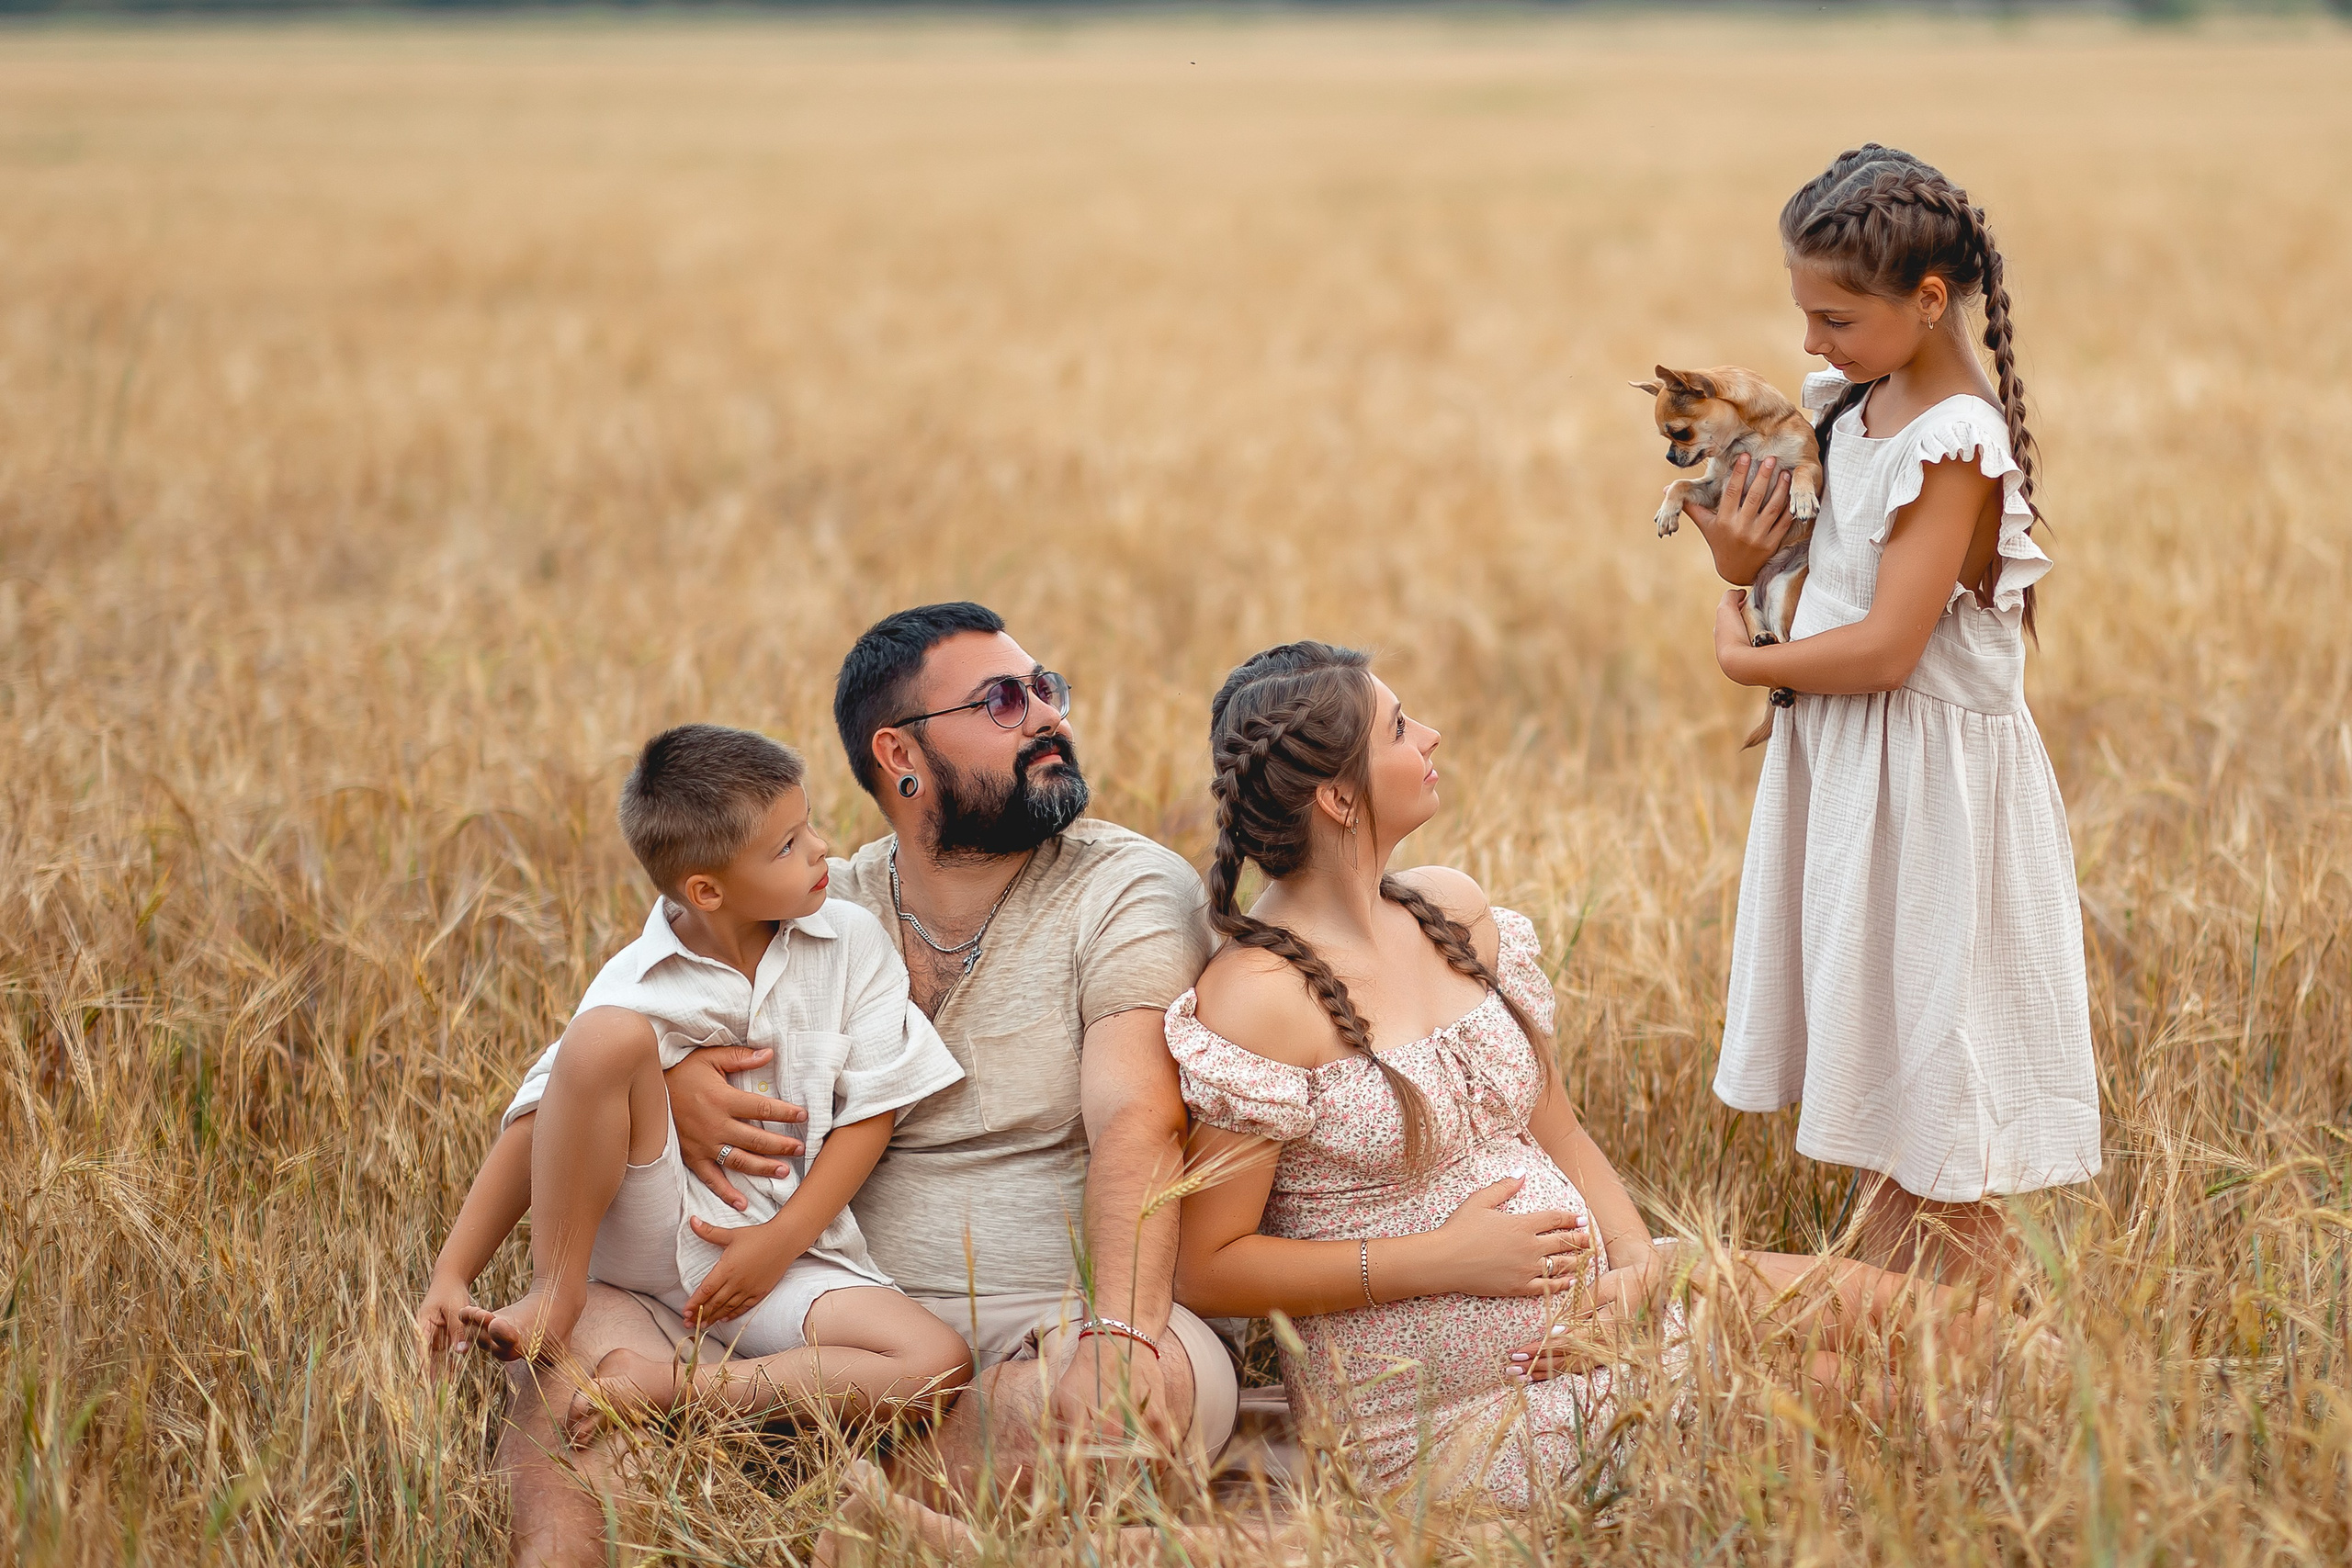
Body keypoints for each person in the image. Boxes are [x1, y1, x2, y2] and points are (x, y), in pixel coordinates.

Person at [1166, 641, 2001, 1506]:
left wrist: (1635, 1268)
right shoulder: (1257, 998)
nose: (1433, 737)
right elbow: (1210, 1264)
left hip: (1610, 1312)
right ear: (1339, 795)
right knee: (1860, 1402)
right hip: (1448, 1418)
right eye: (1401, 728)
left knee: (1932, 1325)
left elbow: (1556, 1124)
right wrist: (1444, 1260)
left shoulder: (1452, 911)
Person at [487, 607, 1228, 1568]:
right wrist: (670, 1079)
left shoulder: (1124, 887)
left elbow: (1137, 1115)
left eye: (1048, 689)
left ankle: (796, 1518)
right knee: (581, 1330)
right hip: (789, 1309)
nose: (1048, 716)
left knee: (1134, 1397)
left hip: (1040, 1325)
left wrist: (1120, 1334)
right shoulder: (797, 892)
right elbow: (585, 1062)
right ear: (899, 754)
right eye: (1004, 699)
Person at [1694, 146, 2101, 1278]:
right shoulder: (1857, 404)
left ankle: (1981, 1357)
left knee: (1936, 1091)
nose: (1810, 347)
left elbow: (1881, 650)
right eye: (1804, 316)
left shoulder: (1954, 441)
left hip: (1931, 809)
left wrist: (1745, 662)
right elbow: (1815, 585)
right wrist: (1739, 566)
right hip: (1854, 788)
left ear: (1930, 302)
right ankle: (1910, 1357)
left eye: (1834, 318)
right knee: (1883, 1088)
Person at [415, 728, 968, 1478]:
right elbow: (545, 1117)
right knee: (603, 1038)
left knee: (936, 1360)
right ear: (707, 890)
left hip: (776, 1251)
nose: (820, 850)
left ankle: (677, 1388)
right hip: (653, 1230)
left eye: (807, 825)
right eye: (786, 845)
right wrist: (452, 1271)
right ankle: (557, 1292)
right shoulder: (640, 979)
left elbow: (874, 1106)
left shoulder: (850, 941)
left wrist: (782, 1241)